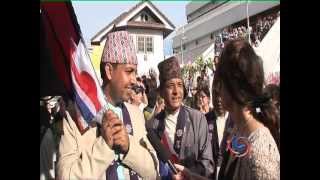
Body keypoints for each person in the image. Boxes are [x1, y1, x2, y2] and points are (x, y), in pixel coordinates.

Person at [57, 30, 159, 180]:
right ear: (109, 71)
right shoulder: (77, 118)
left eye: (135, 72)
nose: (134, 80)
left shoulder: (136, 114)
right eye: (129, 71)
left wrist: (129, 147)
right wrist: (104, 146)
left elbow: (153, 172)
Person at [173, 39, 280, 180]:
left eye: (219, 82)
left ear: (232, 86)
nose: (217, 89)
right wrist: (192, 177)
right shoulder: (238, 129)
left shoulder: (261, 153)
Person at [146, 56, 215, 179]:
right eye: (170, 85)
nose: (176, 91)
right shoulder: (153, 125)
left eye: (179, 85)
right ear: (161, 92)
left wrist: (187, 174)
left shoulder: (197, 119)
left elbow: (208, 164)